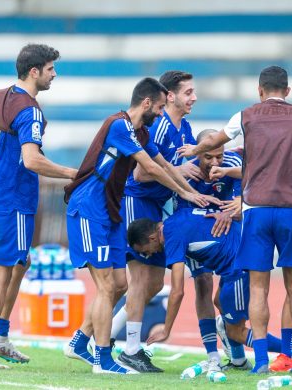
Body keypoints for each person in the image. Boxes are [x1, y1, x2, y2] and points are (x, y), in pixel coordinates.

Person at [178, 65, 292, 374]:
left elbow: (216, 138)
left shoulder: (245, 115)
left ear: (259, 90)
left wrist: (194, 149)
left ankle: (260, 362)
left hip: (256, 208)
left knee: (258, 287)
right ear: (288, 91)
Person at [64, 77, 210, 375]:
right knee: (108, 286)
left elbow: (164, 165)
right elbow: (151, 169)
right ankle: (106, 358)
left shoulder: (141, 132)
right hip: (91, 207)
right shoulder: (119, 125)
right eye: (158, 106)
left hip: (112, 210)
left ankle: (81, 342)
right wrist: (184, 192)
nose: (160, 112)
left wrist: (190, 192)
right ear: (146, 103)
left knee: (121, 284)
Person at [0, 44, 78, 370]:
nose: (54, 74)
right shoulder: (29, 111)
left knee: (21, 262)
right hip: (12, 200)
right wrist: (73, 173)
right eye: (51, 69)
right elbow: (31, 160)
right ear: (35, 71)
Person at [126, 212, 292, 374]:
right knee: (219, 301)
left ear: (152, 238)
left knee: (235, 331)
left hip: (237, 268)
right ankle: (238, 360)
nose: (148, 254)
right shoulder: (176, 220)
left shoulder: (171, 237)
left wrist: (166, 329)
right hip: (239, 256)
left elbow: (178, 291)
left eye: (145, 250)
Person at [113, 71, 210, 373]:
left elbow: (185, 167)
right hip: (138, 202)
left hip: (156, 206)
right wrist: (182, 174)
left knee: (153, 283)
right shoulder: (159, 126)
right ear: (169, 96)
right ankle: (128, 348)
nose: (194, 97)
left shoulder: (186, 128)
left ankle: (90, 337)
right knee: (138, 281)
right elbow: (142, 174)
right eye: (188, 92)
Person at [137, 128, 244, 364]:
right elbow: (144, 176)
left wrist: (231, 212)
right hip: (195, 228)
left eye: (219, 155)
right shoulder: (186, 170)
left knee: (224, 299)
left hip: (227, 228)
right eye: (208, 157)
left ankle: (235, 349)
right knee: (203, 284)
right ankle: (213, 355)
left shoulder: (234, 162)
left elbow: (245, 197)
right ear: (198, 152)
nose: (215, 161)